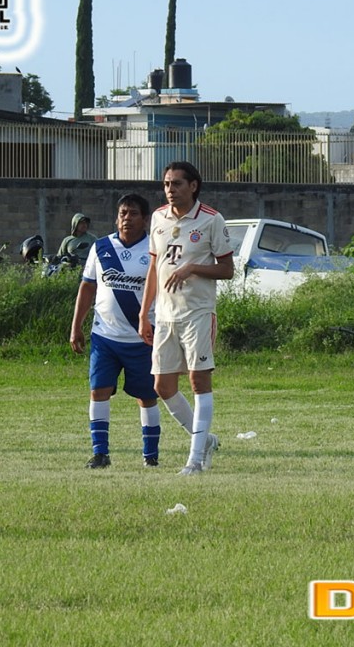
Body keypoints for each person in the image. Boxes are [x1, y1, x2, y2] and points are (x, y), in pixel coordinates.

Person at [139, 161, 234, 476]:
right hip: (165, 315)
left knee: (198, 380)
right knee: (162, 385)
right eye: (167, 183)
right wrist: (144, 313)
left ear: (193, 186)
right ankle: (205, 440)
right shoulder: (158, 217)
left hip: (197, 312)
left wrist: (192, 268)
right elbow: (154, 269)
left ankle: (194, 461)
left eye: (177, 183)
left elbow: (227, 270)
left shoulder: (211, 219)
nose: (170, 189)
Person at [71, 194, 164, 469]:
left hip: (142, 338)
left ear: (145, 219)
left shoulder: (155, 249)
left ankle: (150, 455)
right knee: (98, 391)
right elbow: (87, 287)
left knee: (146, 397)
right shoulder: (101, 247)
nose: (127, 219)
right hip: (105, 337)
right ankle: (100, 453)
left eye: (133, 214)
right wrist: (76, 326)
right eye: (123, 213)